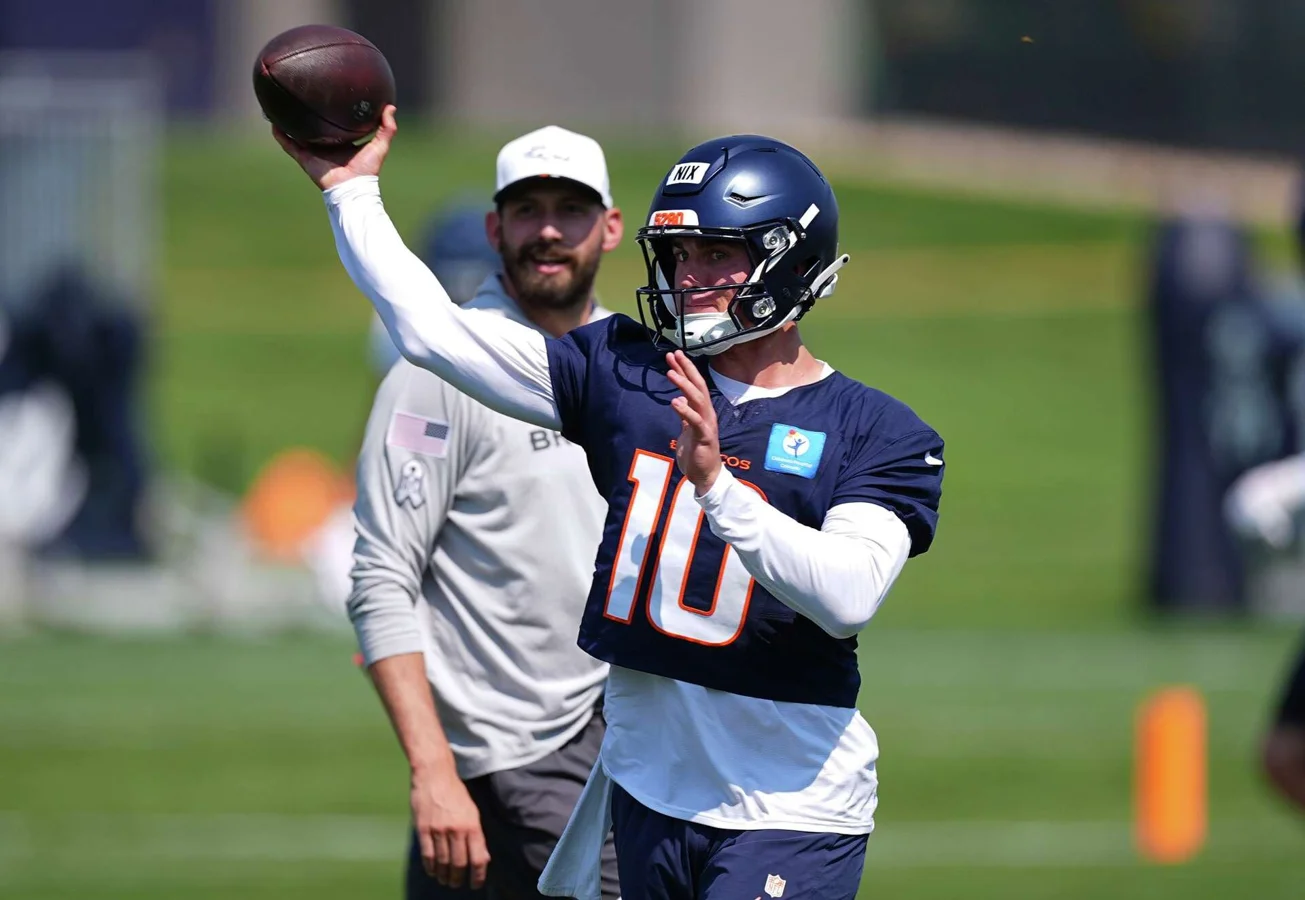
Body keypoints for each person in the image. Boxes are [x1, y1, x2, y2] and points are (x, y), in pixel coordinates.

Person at [275, 108, 945, 900]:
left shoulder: (876, 429)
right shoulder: (625, 371)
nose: (687, 276)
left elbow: (846, 595)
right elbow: (432, 333)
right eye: (679, 254)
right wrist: (351, 192)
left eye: (716, 253)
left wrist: (717, 488)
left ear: (789, 260)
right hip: (646, 791)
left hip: (787, 804)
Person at [346, 124, 623, 898]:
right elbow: (380, 578)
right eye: (527, 209)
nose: (548, 230)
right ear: (494, 228)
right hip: (514, 756)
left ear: (609, 227)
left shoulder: (632, 364)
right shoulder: (441, 374)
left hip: (621, 737)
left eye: (569, 210)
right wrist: (432, 772)